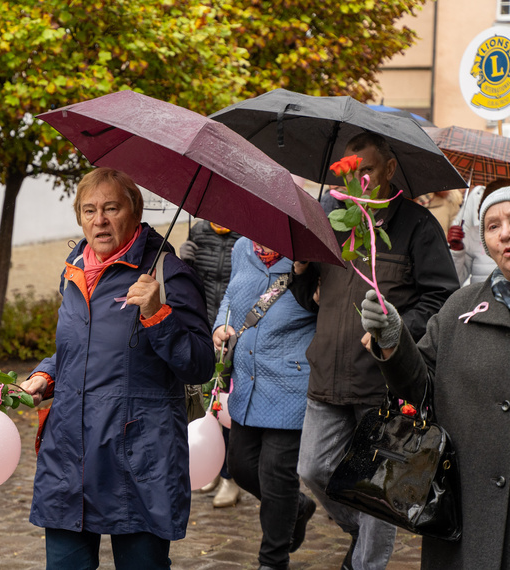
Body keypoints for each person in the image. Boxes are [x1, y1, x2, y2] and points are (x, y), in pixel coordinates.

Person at [20, 168, 215, 569]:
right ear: (78, 217)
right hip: (70, 454)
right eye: (89, 210)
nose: (100, 220)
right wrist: (46, 374)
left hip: (138, 457)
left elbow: (199, 365)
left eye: (111, 207)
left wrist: (157, 313)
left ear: (135, 211)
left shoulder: (169, 276)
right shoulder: (72, 271)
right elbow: (77, 349)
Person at [290, 132, 459, 570]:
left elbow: (442, 298)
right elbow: (308, 297)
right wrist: (301, 271)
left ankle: (363, 564)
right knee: (312, 469)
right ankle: (358, 532)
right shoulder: (332, 221)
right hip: (326, 374)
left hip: (382, 384)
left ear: (389, 170)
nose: (360, 179)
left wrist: (396, 330)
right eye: (351, 171)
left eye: (368, 169)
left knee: (375, 486)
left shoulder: (418, 226)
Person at [359, 184, 510, 569]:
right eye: (493, 225)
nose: (504, 233)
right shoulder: (461, 306)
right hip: (469, 515)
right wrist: (394, 340)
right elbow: (421, 387)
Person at [211, 238, 317, 570]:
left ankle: (272, 560)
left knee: (275, 474)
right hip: (247, 382)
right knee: (241, 467)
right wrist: (220, 326)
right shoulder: (242, 247)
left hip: (291, 382)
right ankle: (295, 507)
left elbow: (321, 304)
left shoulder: (309, 252)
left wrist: (303, 268)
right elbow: (231, 294)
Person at [179, 220, 243, 507]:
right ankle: (212, 467)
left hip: (232, 332)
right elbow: (186, 286)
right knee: (201, 400)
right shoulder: (198, 232)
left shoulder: (244, 237)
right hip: (201, 328)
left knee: (224, 404)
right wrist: (184, 263)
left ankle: (230, 477)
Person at [447, 180, 504, 285]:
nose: (504, 234)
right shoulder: (473, 234)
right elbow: (455, 281)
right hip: (480, 300)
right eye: (494, 226)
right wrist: (456, 250)